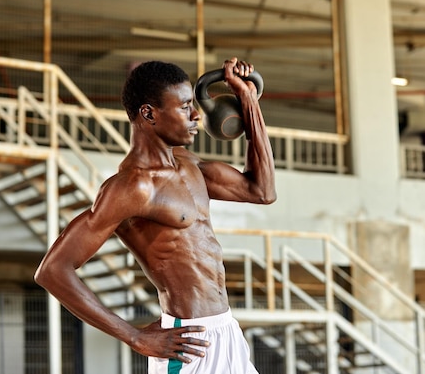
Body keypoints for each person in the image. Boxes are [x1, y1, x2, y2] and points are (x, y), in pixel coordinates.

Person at [34, 57, 276, 373]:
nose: (196, 115)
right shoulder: (133, 187)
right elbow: (52, 270)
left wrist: (248, 99)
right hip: (188, 346)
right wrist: (134, 337)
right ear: (149, 113)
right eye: (185, 107)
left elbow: (262, 191)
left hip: (227, 330)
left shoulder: (189, 165)